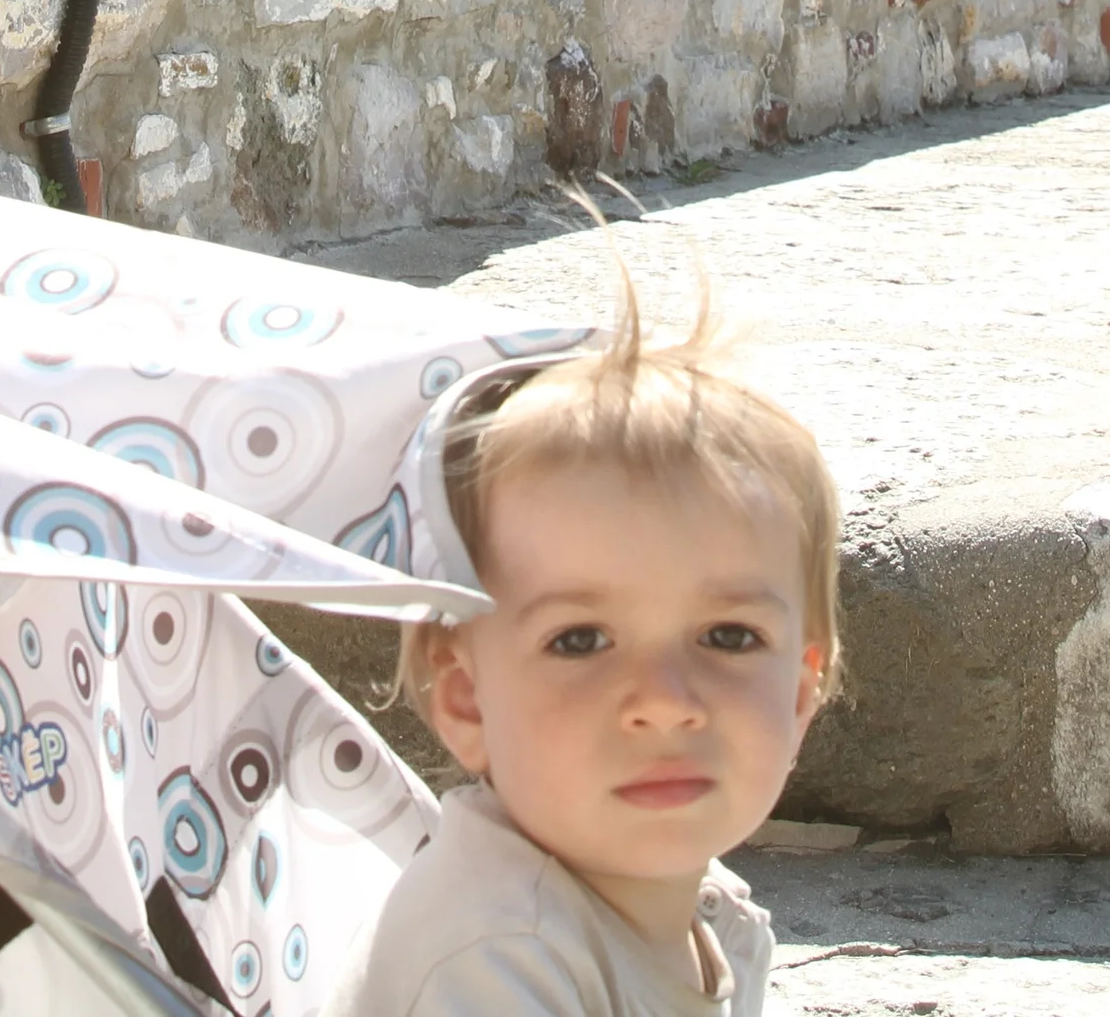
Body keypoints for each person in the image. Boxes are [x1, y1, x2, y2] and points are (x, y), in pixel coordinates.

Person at [333, 295, 840, 1017]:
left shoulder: (704, 913)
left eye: (729, 636)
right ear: (467, 698)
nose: (664, 702)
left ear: (799, 693)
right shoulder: (494, 958)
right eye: (580, 640)